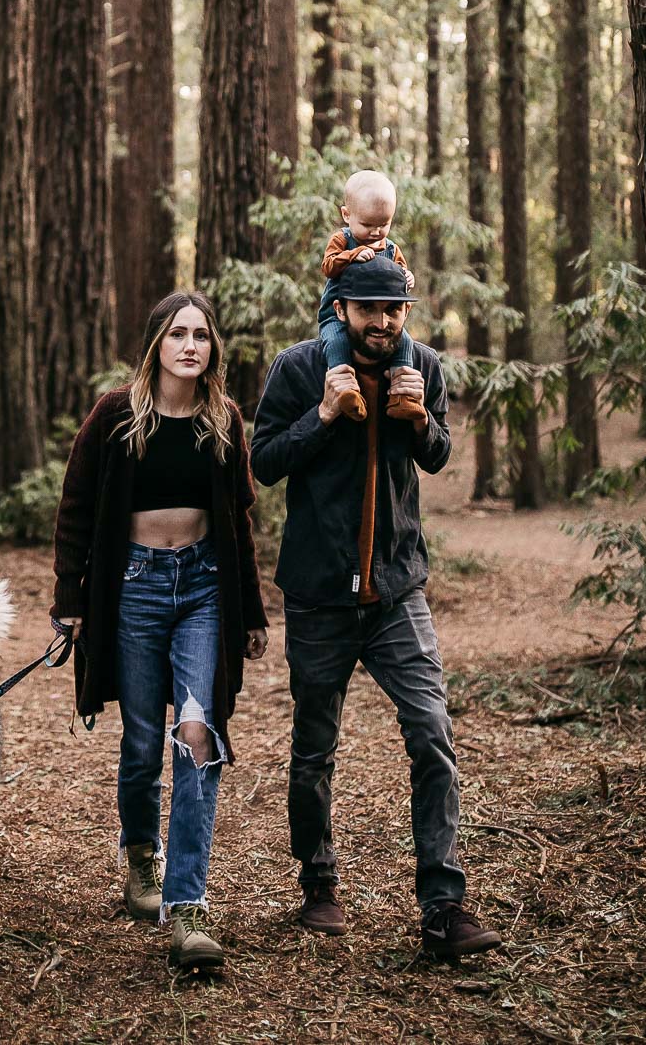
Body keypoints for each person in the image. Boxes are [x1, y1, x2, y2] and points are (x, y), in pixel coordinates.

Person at [250, 254, 501, 960]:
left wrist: (420, 420)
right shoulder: (298, 368)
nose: (382, 323)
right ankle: (319, 880)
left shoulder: (421, 366)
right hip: (319, 597)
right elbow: (262, 460)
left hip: (397, 592)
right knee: (313, 750)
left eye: (393, 312)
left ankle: (443, 906)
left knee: (432, 735)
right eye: (368, 310)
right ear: (342, 310)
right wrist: (324, 414)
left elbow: (439, 455)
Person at [52, 290, 268, 972]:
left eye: (201, 336)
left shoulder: (224, 419)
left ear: (213, 350)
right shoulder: (116, 416)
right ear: (156, 344)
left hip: (204, 586)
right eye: (177, 334)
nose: (190, 346)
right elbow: (76, 507)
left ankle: (189, 906)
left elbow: (239, 520)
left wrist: (253, 610)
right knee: (144, 741)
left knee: (197, 735)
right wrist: (69, 601)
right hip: (134, 591)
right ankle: (141, 857)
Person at [318, 170, 415, 424]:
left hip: (370, 318)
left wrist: (407, 276)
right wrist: (352, 255)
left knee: (405, 341)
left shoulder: (391, 247)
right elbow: (328, 266)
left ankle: (401, 396)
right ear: (347, 215)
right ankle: (347, 392)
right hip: (337, 316)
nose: (376, 232)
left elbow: (401, 269)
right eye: (368, 225)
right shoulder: (343, 240)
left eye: (383, 225)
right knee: (336, 343)